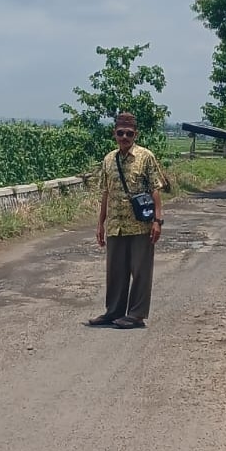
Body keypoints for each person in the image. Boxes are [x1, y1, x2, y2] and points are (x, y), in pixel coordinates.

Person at [87, 112, 164, 329]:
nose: (124, 137)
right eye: (120, 133)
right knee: (115, 271)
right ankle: (113, 312)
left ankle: (136, 314)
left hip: (140, 224)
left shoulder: (145, 156)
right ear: (114, 134)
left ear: (135, 134)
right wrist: (100, 224)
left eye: (129, 133)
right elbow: (105, 193)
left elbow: (155, 190)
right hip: (116, 224)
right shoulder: (109, 160)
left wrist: (158, 220)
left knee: (140, 270)